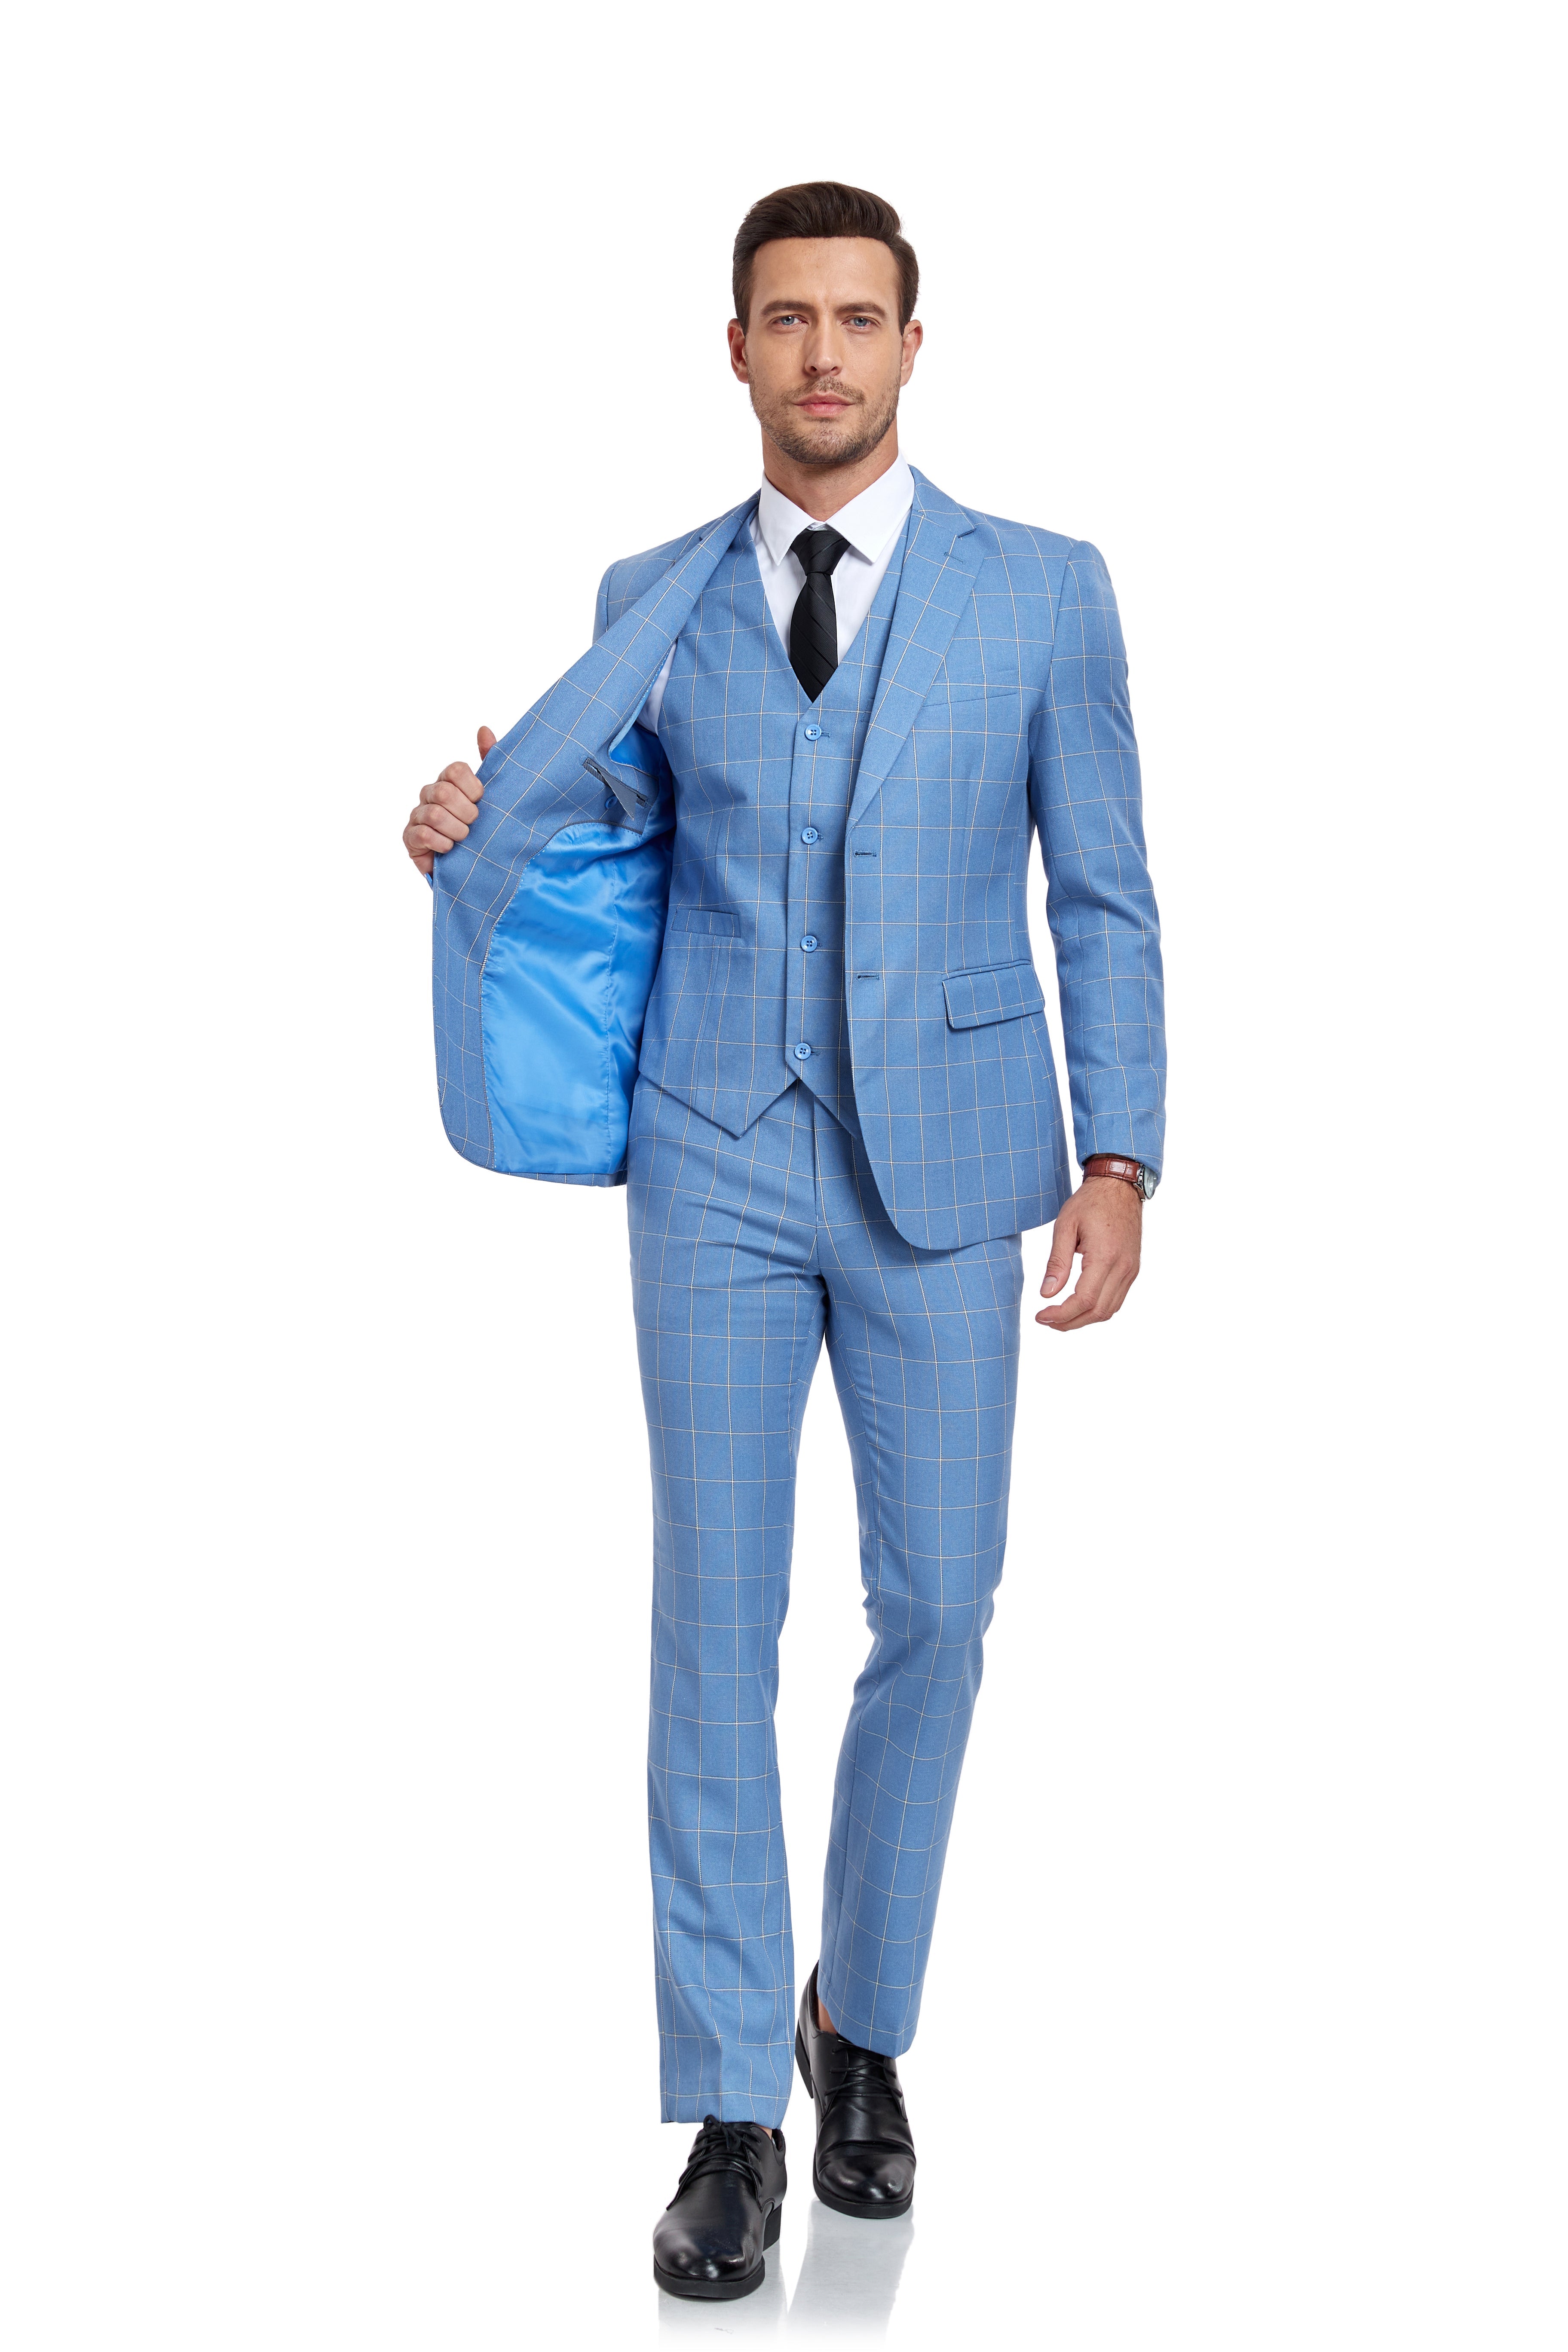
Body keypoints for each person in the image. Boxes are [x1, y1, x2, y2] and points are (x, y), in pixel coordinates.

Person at [404, 181, 1165, 2303]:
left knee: (942, 1603)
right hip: (715, 1156)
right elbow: (608, 842)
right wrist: (476, 829)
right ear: (734, 349)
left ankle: (864, 2023)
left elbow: (1104, 890)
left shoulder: (1046, 593)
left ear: (914, 346)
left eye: (858, 317)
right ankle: (735, 2103)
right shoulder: (647, 598)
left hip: (954, 1161)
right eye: (786, 318)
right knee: (713, 1627)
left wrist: (1123, 1157)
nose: (823, 352)